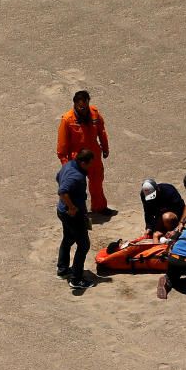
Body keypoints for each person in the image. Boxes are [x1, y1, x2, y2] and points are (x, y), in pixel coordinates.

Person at [57, 90, 115, 216]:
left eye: (85, 106)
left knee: (97, 183)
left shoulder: (94, 113)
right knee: (76, 186)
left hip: (94, 157)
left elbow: (102, 132)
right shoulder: (67, 119)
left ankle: (99, 207)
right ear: (75, 105)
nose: (84, 110)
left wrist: (105, 148)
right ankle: (76, 210)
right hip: (77, 160)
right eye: (81, 107)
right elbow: (62, 144)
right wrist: (66, 165)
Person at [56, 148, 96, 289]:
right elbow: (62, 191)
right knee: (84, 244)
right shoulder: (76, 176)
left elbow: (58, 177)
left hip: (62, 211)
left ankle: (62, 269)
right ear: (83, 162)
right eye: (90, 163)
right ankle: (76, 279)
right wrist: (72, 207)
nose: (91, 166)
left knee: (68, 239)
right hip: (73, 215)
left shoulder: (68, 165)